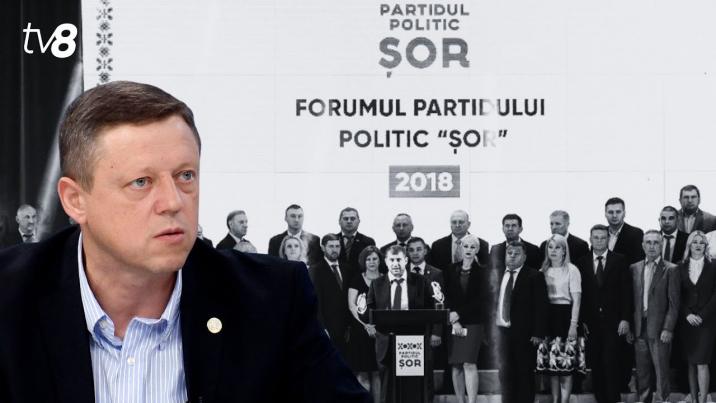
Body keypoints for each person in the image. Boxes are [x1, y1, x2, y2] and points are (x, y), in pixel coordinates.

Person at [0, 81, 369, 402]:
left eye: (185, 176)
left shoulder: (270, 299)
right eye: (141, 182)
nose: (174, 202)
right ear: (75, 200)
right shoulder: (10, 296)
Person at [360, 245, 439, 403]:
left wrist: (436, 330)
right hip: (387, 342)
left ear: (406, 261)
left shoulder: (421, 281)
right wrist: (362, 309)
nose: (395, 264)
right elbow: (369, 313)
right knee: (389, 388)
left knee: (416, 388)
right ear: (386, 262)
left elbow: (433, 310)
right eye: (392, 260)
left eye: (399, 260)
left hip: (415, 343)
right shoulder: (376, 284)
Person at [574, 225, 632, 403]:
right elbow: (580, 294)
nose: (599, 241)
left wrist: (625, 319)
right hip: (590, 323)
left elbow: (626, 292)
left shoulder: (620, 260)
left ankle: (613, 399)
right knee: (596, 362)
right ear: (590, 239)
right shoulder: (582, 262)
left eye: (603, 237)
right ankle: (600, 399)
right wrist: (582, 320)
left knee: (611, 361)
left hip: (614, 321)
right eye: (596, 237)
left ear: (608, 239)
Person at [628, 230, 680, 403]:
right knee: (642, 371)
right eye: (648, 242)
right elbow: (630, 301)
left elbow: (674, 304)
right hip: (639, 328)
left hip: (659, 329)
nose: (651, 246)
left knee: (661, 370)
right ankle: (644, 400)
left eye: (655, 242)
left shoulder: (671, 269)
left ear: (661, 245)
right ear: (643, 245)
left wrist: (668, 328)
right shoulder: (634, 268)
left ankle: (663, 400)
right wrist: (631, 327)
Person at [496, 241, 549, 403]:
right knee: (504, 373)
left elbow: (541, 306)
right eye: (509, 253)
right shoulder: (497, 275)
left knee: (524, 373)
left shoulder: (534, 276)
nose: (512, 256)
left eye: (517, 254)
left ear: (524, 257)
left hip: (525, 335)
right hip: (501, 333)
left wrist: (538, 333)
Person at [536, 234, 585, 403]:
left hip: (566, 317)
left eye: (557, 247)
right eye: (550, 247)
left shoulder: (572, 269)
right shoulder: (543, 270)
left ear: (564, 250)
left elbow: (577, 300)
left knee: (565, 366)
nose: (553, 251)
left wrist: (573, 325)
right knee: (552, 367)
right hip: (548, 318)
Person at [444, 234, 491, 403]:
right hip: (453, 322)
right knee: (456, 364)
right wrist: (454, 319)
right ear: (460, 248)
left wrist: (459, 314)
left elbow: (481, 300)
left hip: (473, 323)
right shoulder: (450, 269)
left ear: (477, 249)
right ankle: (460, 401)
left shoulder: (484, 272)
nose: (469, 250)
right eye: (465, 246)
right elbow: (444, 295)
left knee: (469, 363)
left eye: (472, 247)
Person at [677, 231, 716, 403]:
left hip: (706, 322)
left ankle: (703, 400)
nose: (698, 245)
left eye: (702, 242)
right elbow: (676, 295)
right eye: (695, 242)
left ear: (706, 246)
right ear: (689, 245)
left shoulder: (714, 265)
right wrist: (687, 314)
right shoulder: (680, 266)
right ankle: (693, 399)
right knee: (691, 362)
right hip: (687, 322)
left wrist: (701, 315)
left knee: (702, 362)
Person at [346, 246, 383, 403]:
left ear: (380, 260)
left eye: (374, 258)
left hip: (381, 332)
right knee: (362, 373)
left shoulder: (386, 279)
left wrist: (377, 327)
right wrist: (366, 325)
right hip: (360, 331)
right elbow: (352, 306)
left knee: (377, 373)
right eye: (368, 259)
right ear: (363, 261)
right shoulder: (356, 279)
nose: (371, 262)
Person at [309, 234, 351, 358]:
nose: (334, 249)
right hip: (328, 328)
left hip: (347, 330)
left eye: (337, 246)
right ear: (323, 248)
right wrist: (322, 328)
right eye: (331, 246)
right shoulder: (315, 270)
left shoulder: (347, 269)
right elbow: (316, 302)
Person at [336, 207, 376, 280]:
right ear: (339, 221)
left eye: (352, 219)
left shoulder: (368, 242)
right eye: (345, 219)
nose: (349, 221)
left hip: (360, 283)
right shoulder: (332, 240)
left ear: (358, 221)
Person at [605, 197, 645, 265]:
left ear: (624, 213)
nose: (614, 215)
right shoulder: (600, 233)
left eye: (618, 212)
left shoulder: (636, 234)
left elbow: (639, 263)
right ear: (605, 214)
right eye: (610, 212)